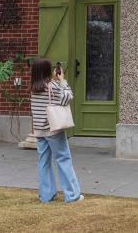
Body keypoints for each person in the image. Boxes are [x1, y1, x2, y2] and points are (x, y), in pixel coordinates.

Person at [30, 57, 83, 203]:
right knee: (63, 159)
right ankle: (72, 195)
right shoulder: (52, 86)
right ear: (47, 70)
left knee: (43, 162)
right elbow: (67, 98)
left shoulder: (33, 88)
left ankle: (46, 196)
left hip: (39, 132)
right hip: (53, 130)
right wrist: (62, 81)